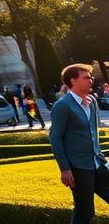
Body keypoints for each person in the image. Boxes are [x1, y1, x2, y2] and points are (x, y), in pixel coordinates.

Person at [49, 63, 109, 224]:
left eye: (91, 77)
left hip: (98, 163)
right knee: (85, 212)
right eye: (86, 77)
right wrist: (65, 169)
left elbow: (92, 133)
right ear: (73, 80)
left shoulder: (92, 101)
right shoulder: (62, 106)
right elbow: (55, 138)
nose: (91, 80)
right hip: (79, 168)